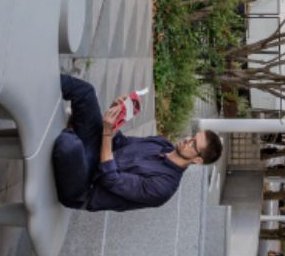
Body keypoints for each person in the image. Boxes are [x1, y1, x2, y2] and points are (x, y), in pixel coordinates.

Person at [53, 73, 222, 211]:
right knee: (85, 91)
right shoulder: (161, 144)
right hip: (95, 153)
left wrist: (106, 132)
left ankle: (73, 131)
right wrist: (115, 114)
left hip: (86, 186)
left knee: (70, 144)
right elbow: (120, 143)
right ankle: (40, 78)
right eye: (192, 136)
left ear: (197, 160)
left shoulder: (163, 187)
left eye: (193, 144)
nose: (187, 140)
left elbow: (109, 178)